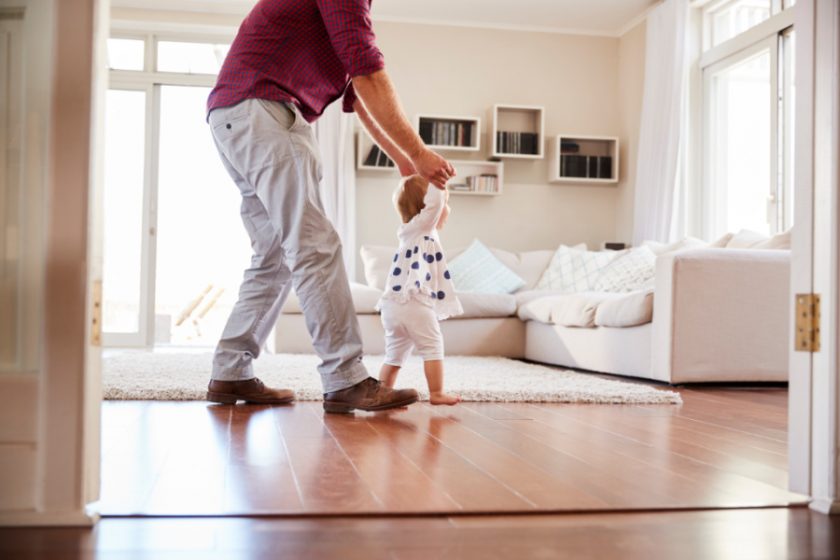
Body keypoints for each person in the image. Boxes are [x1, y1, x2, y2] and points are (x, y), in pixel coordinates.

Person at [203, 0, 456, 413]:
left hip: (236, 116)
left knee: (274, 256)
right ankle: (345, 378)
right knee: (315, 246)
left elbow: (357, 92)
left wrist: (405, 159)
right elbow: (368, 72)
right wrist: (421, 152)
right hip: (264, 110)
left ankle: (230, 371)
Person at [376, 175, 463, 405]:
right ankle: (436, 393)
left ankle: (382, 394)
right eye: (446, 203)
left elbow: (432, 203)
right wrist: (438, 180)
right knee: (433, 346)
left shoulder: (409, 231)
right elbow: (434, 203)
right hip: (414, 303)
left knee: (393, 356)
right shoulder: (424, 227)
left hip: (392, 305)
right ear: (428, 208)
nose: (447, 208)